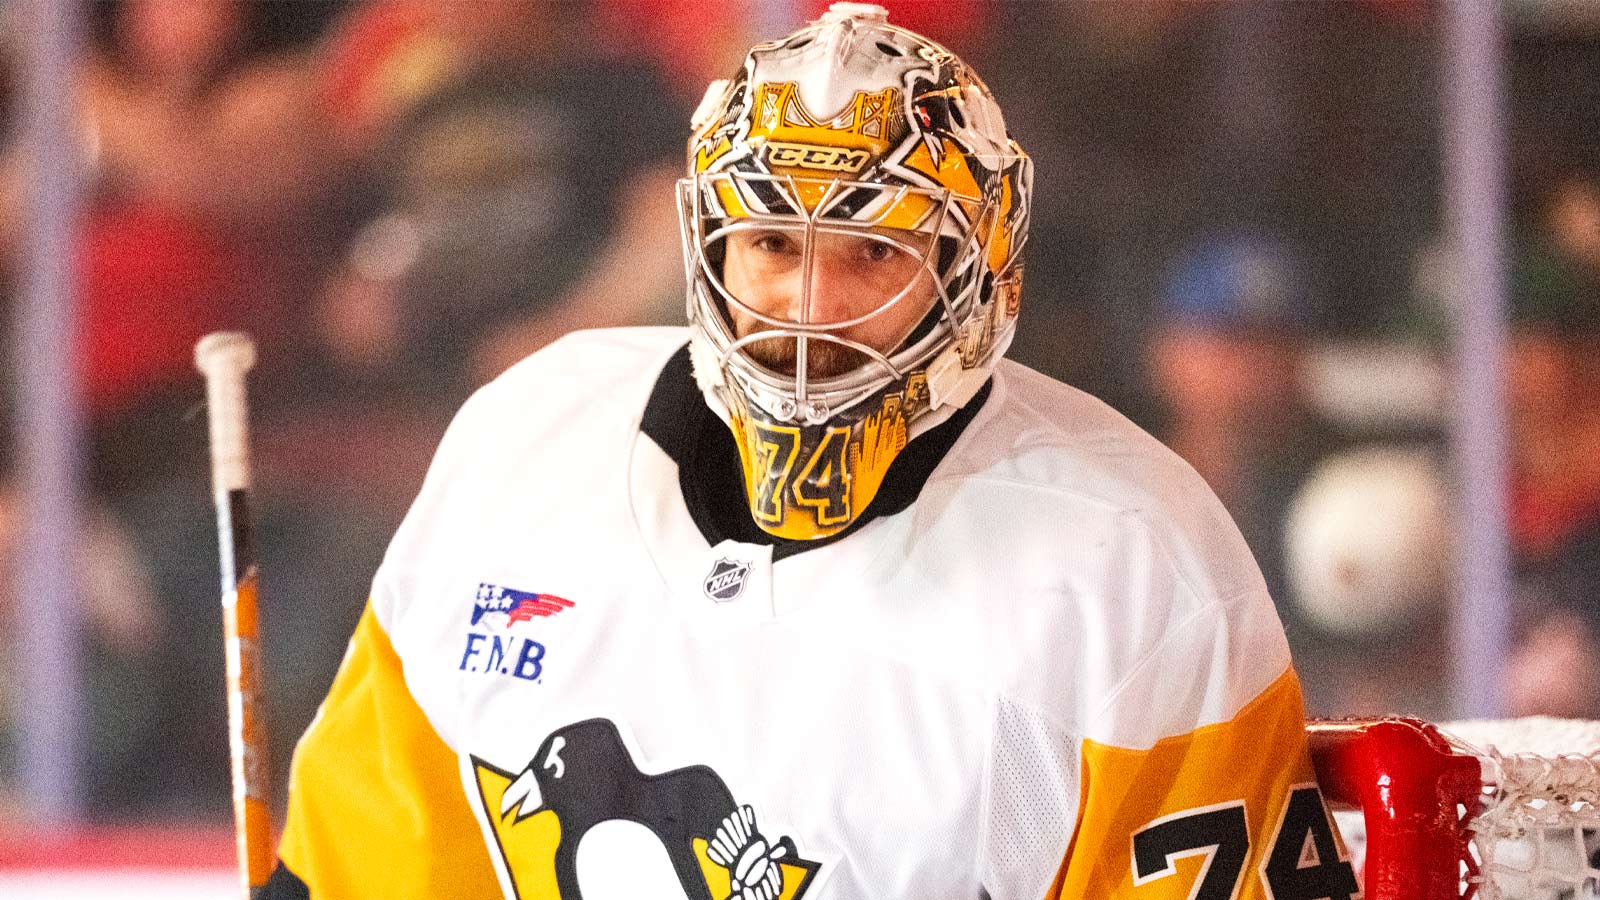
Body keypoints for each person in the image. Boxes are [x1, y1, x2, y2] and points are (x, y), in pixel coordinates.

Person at [266, 6, 1353, 899]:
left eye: (872, 250)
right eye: (774, 242)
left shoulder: (1131, 562)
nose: (806, 310)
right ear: (706, 243)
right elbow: (369, 866)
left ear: (978, 267)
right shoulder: (524, 440)